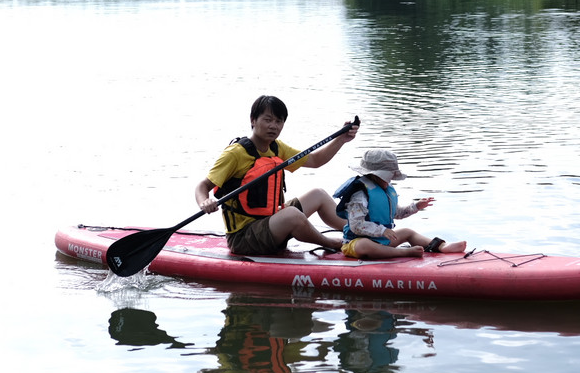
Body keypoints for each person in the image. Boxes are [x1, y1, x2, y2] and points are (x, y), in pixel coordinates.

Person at [195, 95, 358, 255]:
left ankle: (358, 231)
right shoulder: (235, 153)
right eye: (268, 120)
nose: (273, 126)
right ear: (253, 120)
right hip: (244, 238)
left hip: (272, 223)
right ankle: (331, 243)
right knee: (292, 215)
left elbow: (315, 160)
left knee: (318, 195)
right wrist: (205, 201)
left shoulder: (276, 148)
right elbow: (203, 186)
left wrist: (341, 139)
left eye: (278, 121)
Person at [335, 149, 466, 259]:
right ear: (374, 176)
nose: (390, 180)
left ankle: (441, 246)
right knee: (364, 245)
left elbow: (396, 213)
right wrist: (383, 230)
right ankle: (404, 252)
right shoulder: (359, 194)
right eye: (388, 177)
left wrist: (415, 207)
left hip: (383, 240)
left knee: (407, 232)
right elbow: (356, 225)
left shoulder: (385, 189)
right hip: (356, 243)